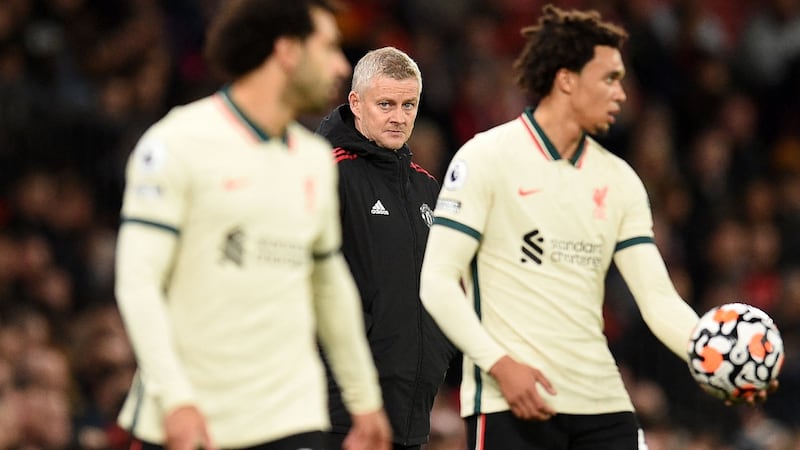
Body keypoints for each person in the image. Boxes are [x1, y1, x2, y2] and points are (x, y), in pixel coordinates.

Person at [419, 4, 775, 450]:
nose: (622, 94)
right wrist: (499, 364)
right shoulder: (485, 157)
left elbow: (658, 298)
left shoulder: (621, 180)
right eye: (609, 78)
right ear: (567, 79)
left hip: (602, 401)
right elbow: (436, 281)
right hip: (512, 398)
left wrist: (717, 355)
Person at [113, 1, 392, 449]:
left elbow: (328, 284)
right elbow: (137, 282)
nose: (341, 65)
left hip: (290, 415)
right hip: (196, 416)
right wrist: (176, 399)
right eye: (329, 47)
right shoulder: (176, 142)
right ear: (286, 51)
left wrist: (364, 398)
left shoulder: (315, 160)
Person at [316, 47, 455, 450]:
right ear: (356, 103)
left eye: (409, 104)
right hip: (343, 409)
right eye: (386, 104)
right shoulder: (327, 173)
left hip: (413, 404)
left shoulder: (427, 188)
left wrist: (437, 356)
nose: (399, 117)